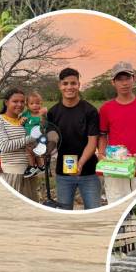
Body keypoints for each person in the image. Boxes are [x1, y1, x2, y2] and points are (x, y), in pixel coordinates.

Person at [98, 62, 136, 204]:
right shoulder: (106, 108)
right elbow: (102, 135)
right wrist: (101, 155)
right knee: (117, 205)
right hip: (116, 166)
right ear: (113, 82)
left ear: (135, 78)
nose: (124, 83)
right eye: (120, 79)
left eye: (127, 78)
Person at [47, 68, 101, 210]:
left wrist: (81, 163)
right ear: (60, 86)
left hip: (88, 171)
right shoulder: (52, 112)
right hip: (63, 174)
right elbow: (52, 142)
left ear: (79, 85)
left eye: (73, 83)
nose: (69, 87)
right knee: (64, 214)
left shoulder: (90, 111)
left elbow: (93, 142)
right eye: (65, 83)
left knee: (94, 212)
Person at [0, 88, 39, 201]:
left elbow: (34, 144)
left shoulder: (25, 120)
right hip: (12, 174)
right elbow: (4, 146)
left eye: (22, 102)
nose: (19, 104)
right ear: (6, 102)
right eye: (15, 101)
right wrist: (31, 137)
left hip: (30, 173)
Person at [22, 90, 48, 178]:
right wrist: (21, 120)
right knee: (29, 153)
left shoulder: (41, 115)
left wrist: (43, 116)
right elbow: (21, 121)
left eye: (37, 103)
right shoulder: (26, 114)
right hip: (28, 139)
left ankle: (41, 166)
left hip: (38, 139)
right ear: (27, 105)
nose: (35, 105)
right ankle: (32, 166)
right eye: (32, 103)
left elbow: (45, 125)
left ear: (41, 104)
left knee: (38, 153)